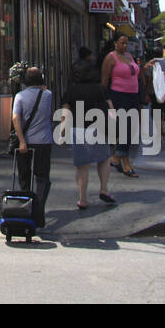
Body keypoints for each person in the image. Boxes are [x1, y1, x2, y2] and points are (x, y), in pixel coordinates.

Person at [61, 46, 114, 208]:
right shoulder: (100, 88)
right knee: (104, 159)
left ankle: (83, 199)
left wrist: (62, 131)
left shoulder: (71, 90)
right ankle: (104, 189)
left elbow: (65, 113)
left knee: (82, 166)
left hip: (79, 130)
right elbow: (111, 110)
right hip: (99, 128)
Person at [11, 65, 53, 228]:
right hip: (43, 141)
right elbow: (45, 90)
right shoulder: (47, 95)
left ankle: (25, 209)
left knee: (24, 177)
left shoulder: (20, 96)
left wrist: (21, 140)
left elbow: (16, 118)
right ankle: (39, 209)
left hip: (25, 141)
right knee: (42, 177)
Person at [101, 33, 142, 177]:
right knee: (125, 128)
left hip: (133, 95)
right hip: (118, 96)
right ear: (115, 43)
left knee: (132, 128)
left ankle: (117, 157)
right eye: (122, 43)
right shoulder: (110, 58)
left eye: (126, 43)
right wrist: (106, 101)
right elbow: (104, 82)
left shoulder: (129, 57)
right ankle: (126, 163)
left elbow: (136, 74)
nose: (125, 46)